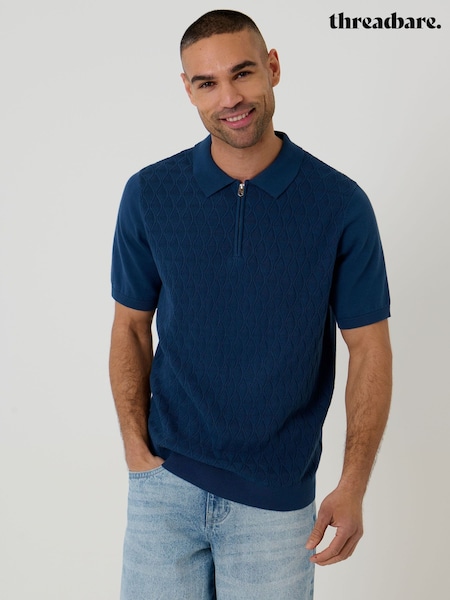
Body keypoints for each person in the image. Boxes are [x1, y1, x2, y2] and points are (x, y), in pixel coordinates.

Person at [109, 9, 392, 600]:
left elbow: (369, 348)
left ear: (273, 68)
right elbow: (131, 326)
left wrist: (353, 484)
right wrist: (136, 449)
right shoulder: (149, 193)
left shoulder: (339, 204)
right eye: (207, 83)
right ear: (188, 90)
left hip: (276, 505)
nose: (230, 98)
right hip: (165, 489)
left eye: (242, 73)